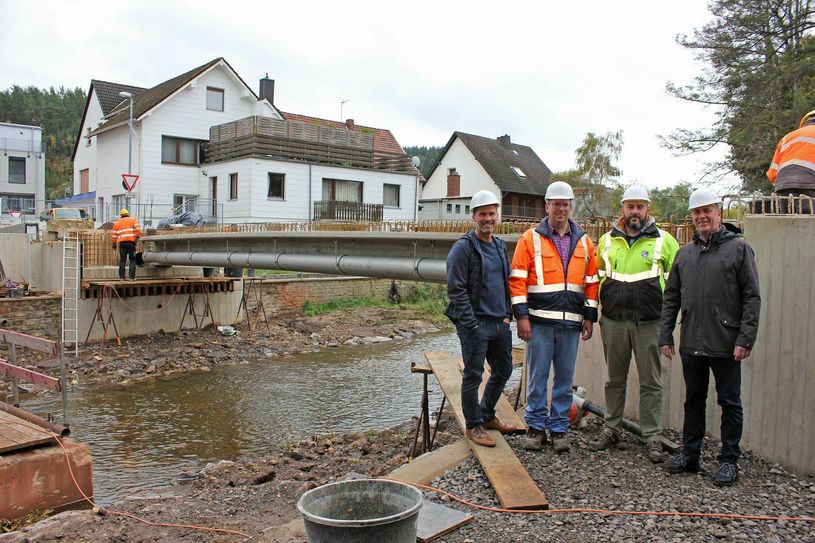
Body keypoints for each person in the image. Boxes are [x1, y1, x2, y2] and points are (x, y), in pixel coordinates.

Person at [659, 188, 760, 486]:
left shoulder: (739, 249)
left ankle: (729, 461)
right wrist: (666, 335)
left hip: (726, 342)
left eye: (707, 210)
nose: (702, 216)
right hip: (692, 341)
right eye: (696, 212)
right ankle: (690, 454)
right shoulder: (684, 254)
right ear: (691, 218)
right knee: (693, 400)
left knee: (729, 402)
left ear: (718, 213)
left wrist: (746, 338)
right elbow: (671, 297)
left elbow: (752, 297)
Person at [588, 186, 679, 463]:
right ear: (623, 209)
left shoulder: (665, 241)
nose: (635, 211)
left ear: (648, 209)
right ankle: (612, 428)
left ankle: (651, 435)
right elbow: (595, 280)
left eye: (640, 206)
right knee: (614, 379)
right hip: (614, 321)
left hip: (650, 323)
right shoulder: (606, 241)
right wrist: (595, 315)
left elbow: (676, 285)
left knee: (651, 381)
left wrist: (670, 323)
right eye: (631, 206)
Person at [509, 181, 599, 453]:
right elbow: (517, 281)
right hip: (538, 322)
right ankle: (536, 427)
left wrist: (589, 315)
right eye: (555, 204)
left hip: (570, 322)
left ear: (571, 207)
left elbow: (592, 280)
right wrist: (521, 317)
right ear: (546, 206)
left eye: (565, 204)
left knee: (563, 378)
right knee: (537, 377)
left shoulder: (583, 240)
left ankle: (559, 429)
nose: (561, 209)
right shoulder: (530, 238)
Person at [444, 190, 519, 447]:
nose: (488, 218)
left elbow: (506, 282)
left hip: (500, 322)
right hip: (476, 324)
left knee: (503, 370)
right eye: (483, 214)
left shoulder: (499, 245)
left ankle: (486, 415)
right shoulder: (462, 248)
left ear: (497, 215)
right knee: (473, 375)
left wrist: (508, 314)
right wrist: (472, 323)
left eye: (492, 213)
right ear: (474, 216)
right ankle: (474, 426)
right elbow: (456, 289)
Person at [767, 109, 815, 212]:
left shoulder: (787, 137)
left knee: (788, 223)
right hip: (810, 186)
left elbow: (772, 175)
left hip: (783, 188)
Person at [111, 208, 142, 281]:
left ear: (121, 216)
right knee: (132, 260)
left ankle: (122, 278)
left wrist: (114, 244)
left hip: (122, 244)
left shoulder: (117, 223)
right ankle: (131, 277)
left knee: (122, 260)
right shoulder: (133, 220)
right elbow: (138, 230)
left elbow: (114, 235)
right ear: (128, 214)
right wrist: (137, 238)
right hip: (131, 243)